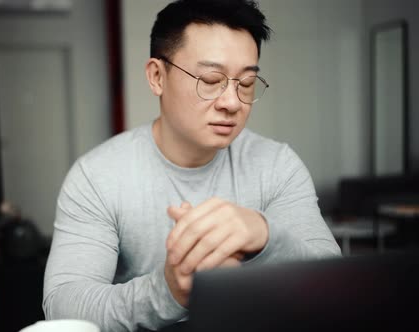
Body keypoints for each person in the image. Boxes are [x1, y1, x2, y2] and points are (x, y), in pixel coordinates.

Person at [43, 0, 341, 331]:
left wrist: (263, 235)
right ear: (157, 76)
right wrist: (169, 290)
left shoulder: (276, 165)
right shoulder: (98, 177)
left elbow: (334, 285)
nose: (231, 103)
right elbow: (63, 308)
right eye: (211, 80)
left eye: (245, 83)